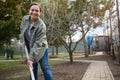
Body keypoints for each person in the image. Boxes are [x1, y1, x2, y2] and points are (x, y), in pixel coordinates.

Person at [19, 2, 53, 80]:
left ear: (40, 13)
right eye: (32, 10)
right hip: (30, 47)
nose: (34, 12)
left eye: (37, 11)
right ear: (29, 10)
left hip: (41, 48)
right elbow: (22, 29)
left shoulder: (41, 26)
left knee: (45, 67)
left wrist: (31, 58)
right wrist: (22, 39)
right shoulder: (25, 19)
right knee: (33, 68)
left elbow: (38, 44)